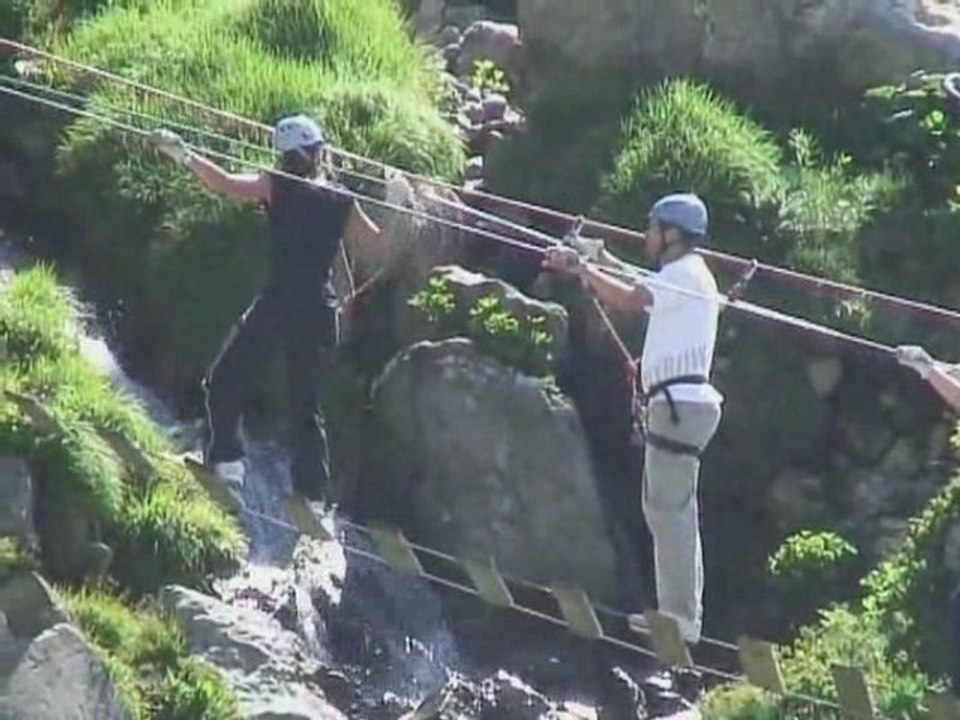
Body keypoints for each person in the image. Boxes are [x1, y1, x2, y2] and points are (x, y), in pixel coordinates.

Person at [149, 115, 384, 506]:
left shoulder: (276, 185)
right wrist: (396, 201)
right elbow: (376, 245)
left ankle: (228, 462)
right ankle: (311, 496)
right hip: (317, 311)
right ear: (317, 153)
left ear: (286, 155)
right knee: (305, 405)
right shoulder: (342, 200)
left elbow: (224, 183)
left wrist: (184, 155)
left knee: (225, 380)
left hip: (278, 305)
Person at [543, 193, 723, 647]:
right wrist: (600, 257)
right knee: (669, 508)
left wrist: (582, 268)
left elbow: (629, 298)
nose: (647, 235)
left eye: (653, 228)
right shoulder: (683, 276)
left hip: (678, 406)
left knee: (669, 511)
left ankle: (682, 618)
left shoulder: (683, 274)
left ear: (673, 234)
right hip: (680, 405)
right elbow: (641, 287)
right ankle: (683, 613)